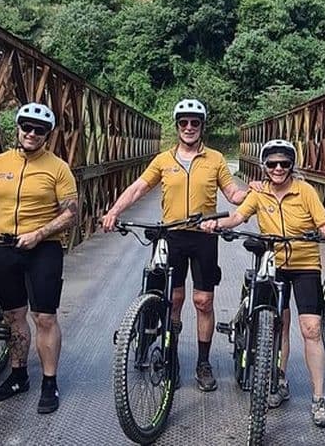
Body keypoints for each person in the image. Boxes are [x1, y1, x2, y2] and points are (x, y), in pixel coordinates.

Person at [100, 99, 250, 392]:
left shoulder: (215, 159)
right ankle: (171, 357)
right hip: (173, 236)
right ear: (177, 126)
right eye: (184, 122)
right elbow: (138, 188)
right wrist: (115, 211)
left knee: (203, 301)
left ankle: (203, 363)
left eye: (195, 122)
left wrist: (256, 189)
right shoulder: (163, 160)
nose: (189, 127)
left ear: (202, 126)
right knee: (175, 299)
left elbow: (232, 194)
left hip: (205, 235)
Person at [200, 139, 325, 428]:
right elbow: (237, 216)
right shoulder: (261, 193)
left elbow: (323, 221)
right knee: (276, 323)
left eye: (284, 163)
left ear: (291, 166)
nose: (278, 168)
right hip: (272, 262)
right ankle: (278, 379)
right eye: (272, 164)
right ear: (264, 167)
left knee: (311, 328)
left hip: (304, 264)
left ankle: (318, 398)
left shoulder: (305, 191)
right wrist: (216, 224)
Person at [0, 102, 78, 414]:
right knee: (13, 316)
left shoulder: (58, 167)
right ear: (17, 128)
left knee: (44, 317)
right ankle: (18, 377)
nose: (31, 133)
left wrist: (40, 234)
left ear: (47, 135)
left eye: (39, 130)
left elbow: (71, 212)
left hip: (44, 249)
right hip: (4, 247)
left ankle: (49, 382)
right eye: (26, 127)